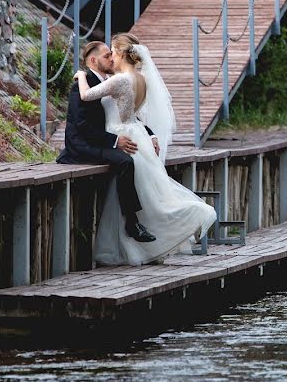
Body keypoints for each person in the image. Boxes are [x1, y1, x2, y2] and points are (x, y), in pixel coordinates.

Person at [75, 32, 217, 266]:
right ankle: (139, 244)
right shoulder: (141, 79)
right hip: (137, 134)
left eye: (113, 51)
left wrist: (81, 75)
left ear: (121, 53)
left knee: (135, 197)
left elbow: (86, 95)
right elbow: (136, 114)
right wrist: (150, 134)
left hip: (122, 133)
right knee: (146, 194)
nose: (111, 57)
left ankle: (131, 243)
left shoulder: (120, 80)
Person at [56, 40, 157, 243]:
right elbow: (82, 126)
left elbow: (126, 115)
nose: (111, 58)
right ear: (93, 60)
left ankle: (148, 218)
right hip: (82, 147)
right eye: (106, 56)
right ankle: (132, 222)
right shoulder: (82, 84)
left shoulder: (111, 80)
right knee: (126, 162)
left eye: (111, 55)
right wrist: (114, 141)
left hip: (103, 140)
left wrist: (150, 134)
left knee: (141, 158)